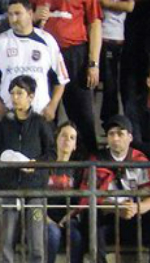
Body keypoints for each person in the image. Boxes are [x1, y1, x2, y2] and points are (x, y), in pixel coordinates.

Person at [71, 113, 150, 263]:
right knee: (91, 218)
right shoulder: (96, 160)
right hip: (108, 221)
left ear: (130, 137)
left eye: (120, 133)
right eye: (111, 134)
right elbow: (88, 200)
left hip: (135, 221)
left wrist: (136, 208)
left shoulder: (140, 160)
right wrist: (115, 209)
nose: (115, 138)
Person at [0, 75, 55, 263]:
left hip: (35, 189)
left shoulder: (40, 123)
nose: (16, 98)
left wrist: (35, 166)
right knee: (7, 238)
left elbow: (51, 154)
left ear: (31, 97)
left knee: (36, 238)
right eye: (13, 93)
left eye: (20, 93)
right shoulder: (4, 124)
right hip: (9, 186)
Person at [0, 0, 67, 131]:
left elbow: (61, 80)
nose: (13, 19)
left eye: (17, 14)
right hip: (10, 116)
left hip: (40, 114)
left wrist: (52, 106)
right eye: (10, 15)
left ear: (30, 14)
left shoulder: (47, 41)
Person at [34, 0, 102, 153]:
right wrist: (33, 16)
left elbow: (95, 24)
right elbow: (22, 16)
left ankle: (89, 169)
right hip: (44, 55)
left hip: (75, 54)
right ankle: (47, 167)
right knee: (46, 115)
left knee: (83, 116)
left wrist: (93, 63)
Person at [46, 121, 84, 263]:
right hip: (44, 217)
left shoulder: (77, 169)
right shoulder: (45, 166)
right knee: (52, 234)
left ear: (75, 145)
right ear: (56, 139)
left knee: (75, 236)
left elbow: (80, 199)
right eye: (63, 136)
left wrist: (69, 215)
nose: (67, 140)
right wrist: (47, 218)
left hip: (68, 216)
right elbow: (36, 196)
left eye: (72, 138)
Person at [99, 0, 134, 122]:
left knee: (111, 83)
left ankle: (110, 121)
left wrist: (106, 3)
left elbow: (129, 6)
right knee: (89, 82)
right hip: (92, 36)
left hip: (113, 38)